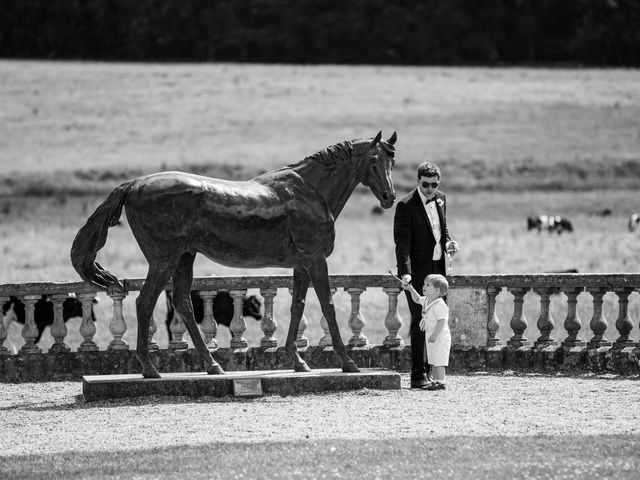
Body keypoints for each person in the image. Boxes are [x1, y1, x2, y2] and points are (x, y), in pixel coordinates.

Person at [393, 161, 458, 389]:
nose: (430, 189)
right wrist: (406, 274)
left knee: (438, 321)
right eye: (426, 184)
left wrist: (449, 243)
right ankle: (417, 375)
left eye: (434, 184)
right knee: (421, 322)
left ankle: (434, 374)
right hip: (418, 273)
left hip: (439, 271)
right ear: (418, 181)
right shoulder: (405, 205)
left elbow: (442, 228)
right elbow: (402, 246)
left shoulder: (441, 197)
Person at [403, 274, 451, 390]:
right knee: (433, 360)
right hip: (431, 336)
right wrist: (411, 289)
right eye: (424, 284)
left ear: (436, 291)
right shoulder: (427, 300)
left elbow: (441, 322)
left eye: (427, 285)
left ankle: (441, 382)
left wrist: (435, 335)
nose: (424, 286)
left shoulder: (440, 305)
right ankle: (435, 381)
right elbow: (416, 299)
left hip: (440, 337)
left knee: (439, 360)